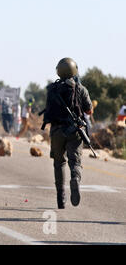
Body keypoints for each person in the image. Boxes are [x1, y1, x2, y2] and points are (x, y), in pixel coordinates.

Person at [42, 58, 93, 209]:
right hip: (75, 131)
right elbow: (89, 110)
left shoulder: (52, 89)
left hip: (57, 131)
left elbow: (49, 110)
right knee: (75, 162)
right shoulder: (80, 88)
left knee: (58, 163)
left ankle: (61, 197)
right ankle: (75, 179)